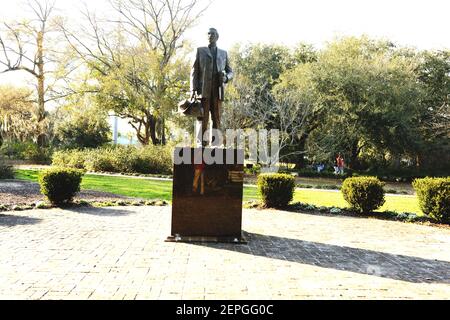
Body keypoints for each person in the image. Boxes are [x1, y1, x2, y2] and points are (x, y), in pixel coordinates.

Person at [190, 28, 234, 146]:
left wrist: (226, 78)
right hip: (203, 90)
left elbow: (230, 72)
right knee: (202, 118)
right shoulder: (200, 51)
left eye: (213, 34)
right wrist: (193, 89)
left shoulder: (223, 53)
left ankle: (215, 144)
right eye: (208, 33)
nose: (210, 35)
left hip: (217, 91)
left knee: (216, 118)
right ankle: (201, 143)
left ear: (217, 37)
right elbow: (194, 71)